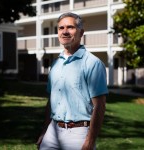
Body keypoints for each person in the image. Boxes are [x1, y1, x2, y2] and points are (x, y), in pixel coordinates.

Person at [36, 12, 108, 150]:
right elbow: (51, 101)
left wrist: (90, 141)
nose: (65, 32)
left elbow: (100, 106)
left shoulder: (92, 63)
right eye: (61, 28)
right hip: (53, 130)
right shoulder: (56, 64)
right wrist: (45, 131)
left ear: (81, 33)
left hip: (78, 133)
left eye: (70, 27)